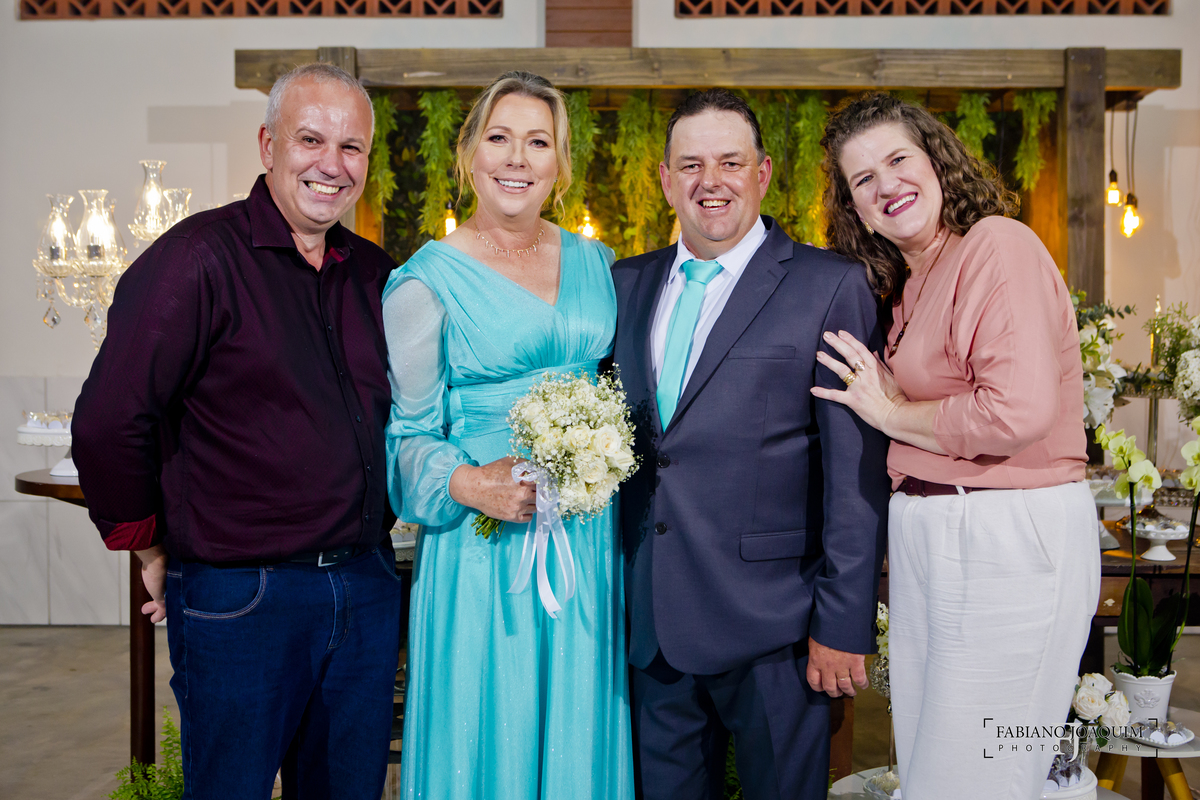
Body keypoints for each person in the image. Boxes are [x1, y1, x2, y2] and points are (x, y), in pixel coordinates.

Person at [71, 63, 402, 799]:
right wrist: (147, 542)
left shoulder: (375, 274)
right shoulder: (196, 259)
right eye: (310, 140)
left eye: (351, 147)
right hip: (243, 599)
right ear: (267, 145)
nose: (331, 164)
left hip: (365, 588)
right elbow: (107, 419)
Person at [815, 92, 1101, 800]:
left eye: (898, 160)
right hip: (940, 535)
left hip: (1007, 534)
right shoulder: (910, 283)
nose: (887, 185)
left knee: (977, 776)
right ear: (856, 209)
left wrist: (891, 412)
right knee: (937, 772)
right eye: (863, 179)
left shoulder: (996, 245)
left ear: (938, 162)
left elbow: (1016, 411)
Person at [611, 89, 890, 800]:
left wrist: (843, 622)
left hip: (780, 632)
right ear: (666, 179)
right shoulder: (624, 284)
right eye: (692, 165)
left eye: (730, 162)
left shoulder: (830, 285)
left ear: (762, 173)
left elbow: (855, 476)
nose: (712, 182)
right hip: (652, 629)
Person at [383, 71, 635, 800]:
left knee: (580, 725)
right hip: (482, 545)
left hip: (588, 539)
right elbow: (404, 438)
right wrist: (471, 485)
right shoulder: (424, 283)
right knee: (489, 724)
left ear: (561, 163)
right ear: (469, 154)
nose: (517, 158)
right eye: (499, 138)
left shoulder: (598, 264)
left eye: (538, 142)